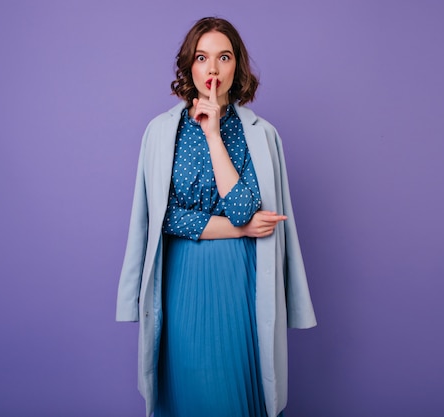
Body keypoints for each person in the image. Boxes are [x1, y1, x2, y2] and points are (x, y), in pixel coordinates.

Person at [116, 17, 316, 417]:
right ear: (189, 66)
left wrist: (212, 135)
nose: (212, 69)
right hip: (182, 278)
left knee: (238, 393)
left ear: (236, 66)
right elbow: (164, 217)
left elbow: (243, 207)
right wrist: (234, 227)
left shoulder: (258, 133)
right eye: (202, 57)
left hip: (240, 281)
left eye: (223, 57)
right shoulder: (161, 132)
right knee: (188, 392)